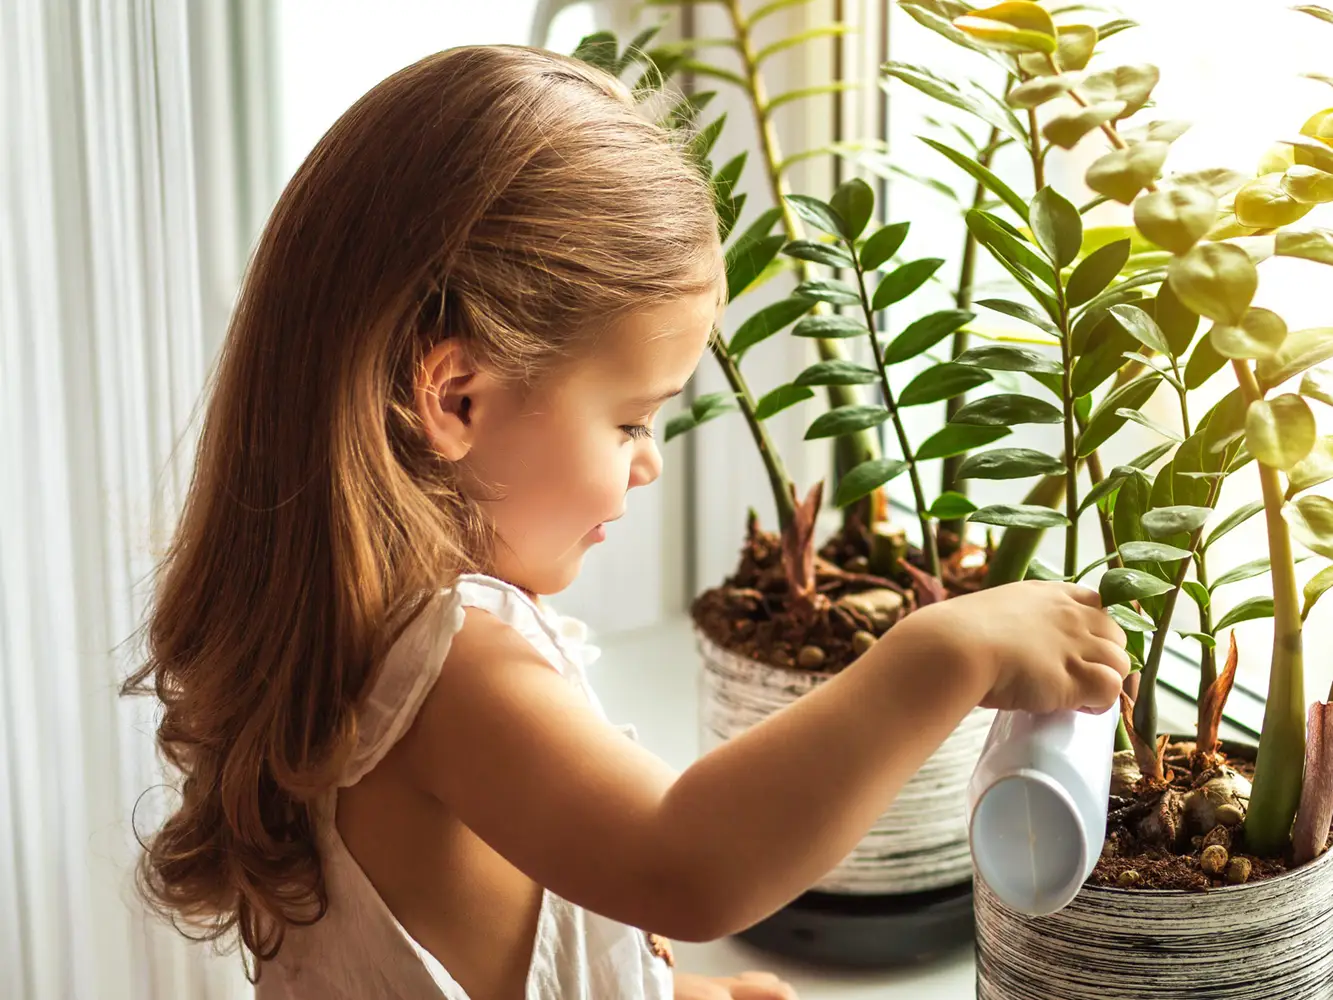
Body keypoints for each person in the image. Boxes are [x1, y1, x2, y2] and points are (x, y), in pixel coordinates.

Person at [123, 44, 1131, 1000]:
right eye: (630, 420)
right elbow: (681, 861)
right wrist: (941, 653)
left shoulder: (339, 642)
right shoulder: (447, 670)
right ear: (457, 398)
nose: (648, 462)